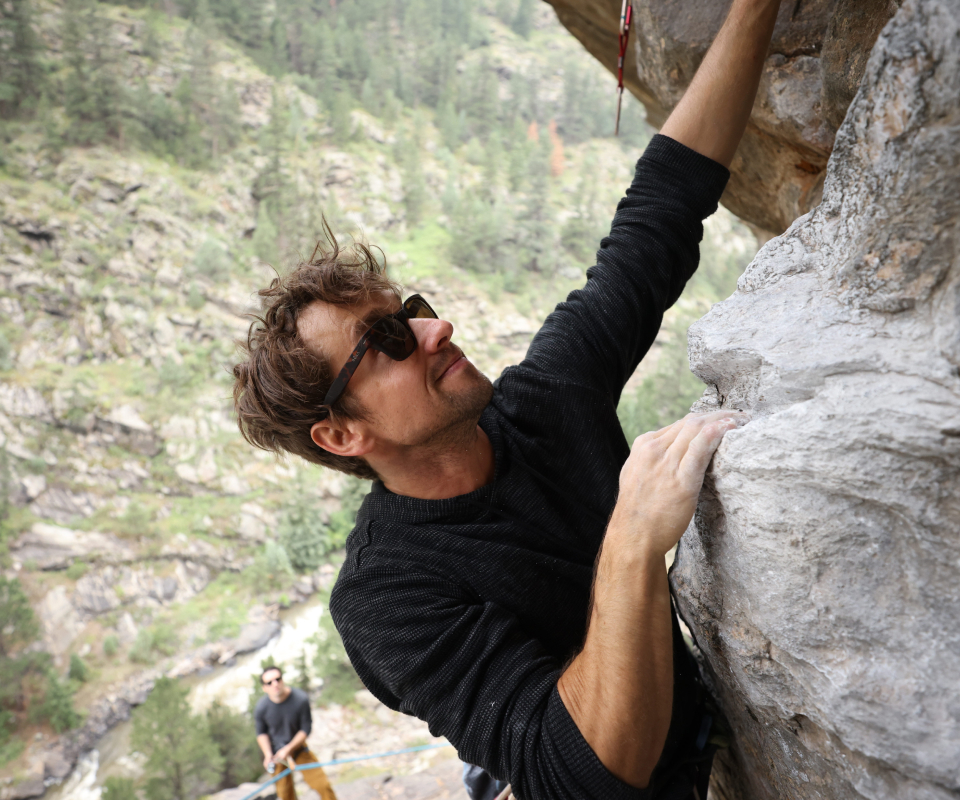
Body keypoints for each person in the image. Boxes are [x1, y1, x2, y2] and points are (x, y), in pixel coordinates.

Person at [233, 0, 781, 796]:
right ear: (342, 435)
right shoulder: (385, 595)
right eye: (386, 341)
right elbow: (581, 772)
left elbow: (656, 222)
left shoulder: (545, 399)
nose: (436, 329)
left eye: (410, 313)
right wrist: (631, 540)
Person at [253, 667, 338, 800]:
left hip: (298, 748)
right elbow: (261, 733)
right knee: (285, 794)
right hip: (277, 754)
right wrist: (268, 754)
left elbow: (305, 728)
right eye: (269, 682)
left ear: (282, 680)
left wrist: (288, 748)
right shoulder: (261, 707)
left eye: (277, 679)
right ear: (264, 687)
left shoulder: (300, 699)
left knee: (322, 785)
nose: (275, 684)